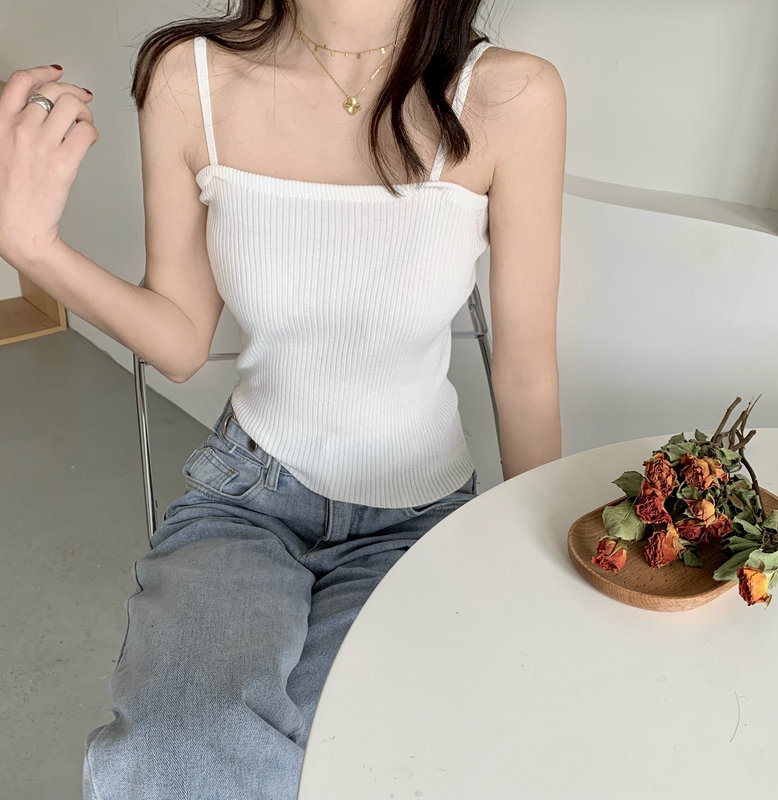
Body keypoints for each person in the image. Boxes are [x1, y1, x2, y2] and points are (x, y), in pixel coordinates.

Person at [0, 0, 565, 796]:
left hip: (420, 514)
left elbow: (525, 370)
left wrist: (549, 567)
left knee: (355, 761)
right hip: (248, 494)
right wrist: (32, 248)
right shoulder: (188, 77)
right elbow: (181, 340)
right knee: (173, 756)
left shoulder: (511, 96)